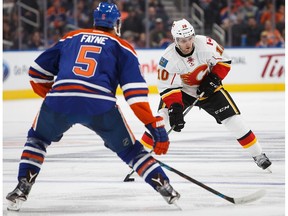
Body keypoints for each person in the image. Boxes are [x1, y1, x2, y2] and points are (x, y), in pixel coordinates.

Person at [6, 2, 180, 211]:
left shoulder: (71, 37)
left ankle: (22, 186)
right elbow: (135, 95)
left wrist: (59, 98)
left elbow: (35, 72)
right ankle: (165, 187)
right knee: (132, 152)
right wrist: (153, 125)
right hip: (100, 105)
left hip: (60, 100)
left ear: (95, 21)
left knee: (37, 140)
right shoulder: (122, 46)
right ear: (117, 23)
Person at [140, 18, 272, 172]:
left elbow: (225, 61)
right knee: (162, 120)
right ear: (175, 40)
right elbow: (167, 88)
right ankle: (139, 157)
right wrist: (175, 108)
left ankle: (258, 155)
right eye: (182, 40)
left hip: (210, 90)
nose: (188, 44)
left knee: (234, 120)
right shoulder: (168, 59)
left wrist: (214, 78)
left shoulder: (206, 44)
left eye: (189, 39)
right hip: (181, 92)